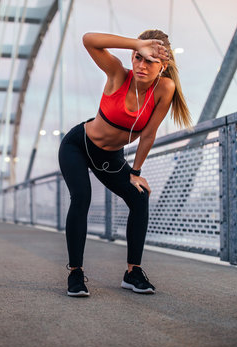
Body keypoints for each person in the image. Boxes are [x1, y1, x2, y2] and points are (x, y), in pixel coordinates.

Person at [58, 30, 192, 297]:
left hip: (110, 158)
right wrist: (137, 43)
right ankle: (75, 273)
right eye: (138, 57)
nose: (142, 66)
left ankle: (133, 272)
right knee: (81, 197)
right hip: (79, 145)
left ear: (163, 66)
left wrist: (136, 173)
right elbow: (88, 40)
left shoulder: (165, 88)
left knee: (139, 198)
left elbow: (149, 133)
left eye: (150, 61)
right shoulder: (119, 75)